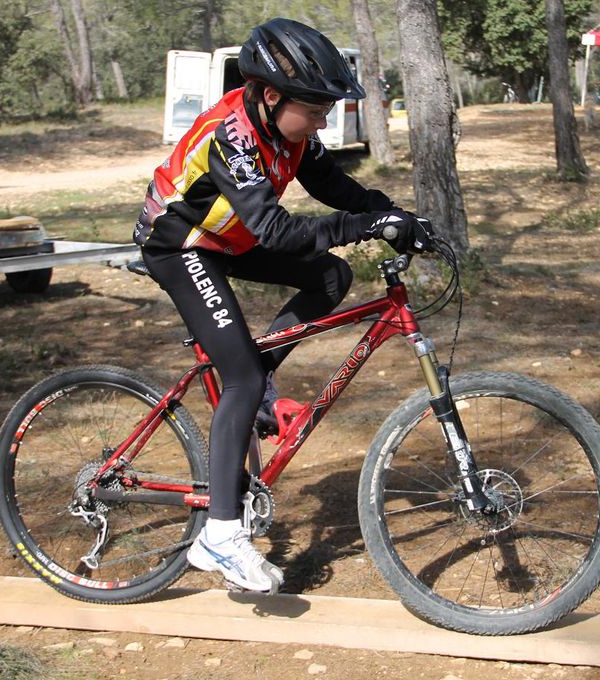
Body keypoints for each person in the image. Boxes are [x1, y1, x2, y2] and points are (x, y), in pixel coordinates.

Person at [133, 18, 431, 594]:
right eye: (316, 108)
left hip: (227, 240)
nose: (324, 119)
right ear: (272, 95)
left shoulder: (286, 128)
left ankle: (256, 386)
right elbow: (276, 230)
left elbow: (335, 187)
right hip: (180, 246)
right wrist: (369, 224)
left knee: (331, 275)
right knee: (239, 376)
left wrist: (400, 216)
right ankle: (219, 534)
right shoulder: (234, 136)